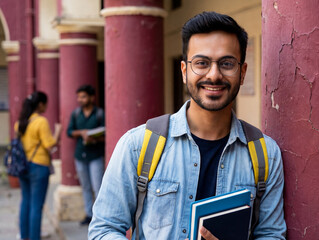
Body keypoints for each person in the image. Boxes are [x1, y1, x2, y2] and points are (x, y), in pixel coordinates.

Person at [89, 12, 286, 240]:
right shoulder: (138, 145)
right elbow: (104, 229)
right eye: (201, 63)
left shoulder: (266, 155)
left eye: (227, 63)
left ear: (242, 73)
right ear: (184, 71)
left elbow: (271, 234)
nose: (214, 75)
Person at [16, 91, 61, 240]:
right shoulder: (41, 122)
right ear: (40, 104)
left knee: (26, 201)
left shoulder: (20, 122)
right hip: (39, 166)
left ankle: (24, 236)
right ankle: (35, 237)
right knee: (37, 205)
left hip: (23, 166)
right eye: (46, 104)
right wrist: (58, 133)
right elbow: (49, 145)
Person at [67, 85, 105, 225]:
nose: (80, 100)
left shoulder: (100, 113)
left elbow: (107, 133)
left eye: (83, 96)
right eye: (79, 97)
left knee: (98, 186)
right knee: (85, 186)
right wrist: (82, 132)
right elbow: (69, 131)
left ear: (91, 97)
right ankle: (89, 214)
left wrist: (94, 138)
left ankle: (100, 216)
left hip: (95, 155)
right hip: (80, 155)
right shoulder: (76, 113)